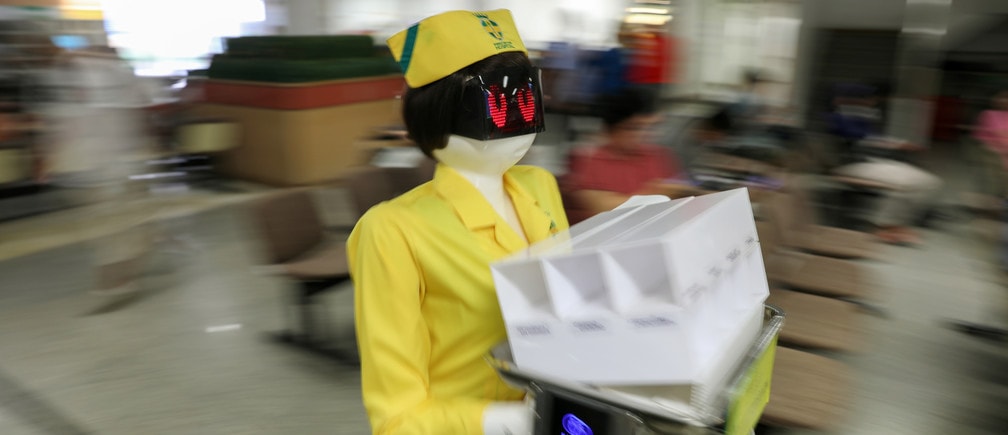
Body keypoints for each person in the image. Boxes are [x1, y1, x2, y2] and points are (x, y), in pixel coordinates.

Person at [347, 10, 569, 435]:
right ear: (439, 114)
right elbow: (397, 417)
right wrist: (502, 422)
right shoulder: (392, 231)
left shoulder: (539, 186)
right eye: (500, 111)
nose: (520, 132)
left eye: (527, 105)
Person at [563, 88, 688, 222]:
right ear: (610, 130)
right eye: (634, 128)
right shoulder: (587, 160)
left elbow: (682, 196)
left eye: (652, 127)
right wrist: (656, 191)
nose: (645, 135)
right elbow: (603, 207)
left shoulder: (659, 156)